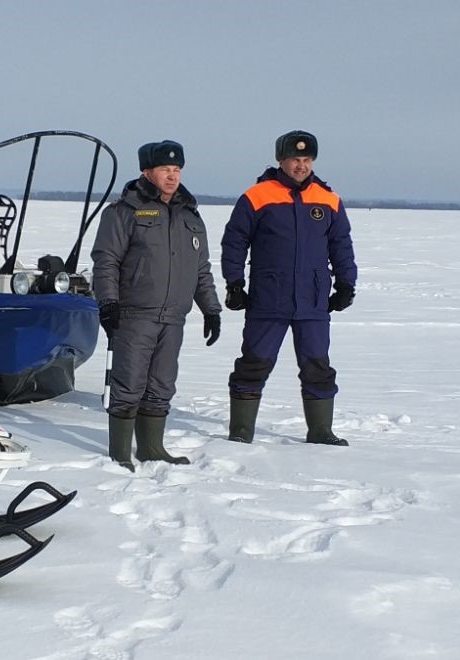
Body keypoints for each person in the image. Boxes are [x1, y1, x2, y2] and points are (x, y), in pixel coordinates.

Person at [220, 130, 357, 446]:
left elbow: (341, 245)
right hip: (269, 298)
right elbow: (235, 241)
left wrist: (347, 283)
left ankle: (320, 431)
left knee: (317, 366)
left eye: (307, 159)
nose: (301, 165)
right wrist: (234, 283)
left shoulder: (328, 200)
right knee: (254, 362)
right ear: (281, 159)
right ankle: (241, 430)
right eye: (296, 159)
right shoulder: (257, 196)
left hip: (313, 300)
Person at [92, 140, 222, 471]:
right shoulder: (124, 212)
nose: (172, 176)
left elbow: (201, 269)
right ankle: (120, 453)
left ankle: (151, 448)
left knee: (162, 384)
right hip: (135, 314)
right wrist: (108, 302)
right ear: (146, 172)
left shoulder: (191, 216)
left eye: (176, 170)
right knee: (129, 382)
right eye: (165, 169)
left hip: (174, 317)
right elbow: (106, 260)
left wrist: (211, 309)